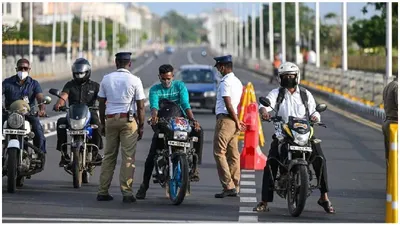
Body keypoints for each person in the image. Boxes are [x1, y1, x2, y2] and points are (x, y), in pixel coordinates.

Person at [253, 62, 335, 214]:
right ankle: (264, 201)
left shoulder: (305, 94)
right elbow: (265, 105)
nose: (289, 79)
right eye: (285, 76)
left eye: (291, 76)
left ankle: (324, 197)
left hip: (304, 134)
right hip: (284, 134)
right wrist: (264, 112)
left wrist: (315, 117)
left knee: (320, 159)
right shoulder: (277, 93)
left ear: (297, 77)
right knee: (271, 162)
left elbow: (314, 111)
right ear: (280, 78)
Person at [135, 64, 203, 200]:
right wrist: (154, 116)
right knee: (152, 155)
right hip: (163, 122)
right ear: (159, 77)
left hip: (181, 122)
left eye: (169, 78)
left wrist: (193, 119)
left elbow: (185, 104)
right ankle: (144, 186)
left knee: (199, 132)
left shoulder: (180, 86)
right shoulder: (155, 89)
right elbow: (154, 105)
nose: (166, 82)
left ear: (173, 76)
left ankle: (195, 166)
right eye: (164, 79)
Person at [96, 52, 146, 203]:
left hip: (110, 119)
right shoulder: (135, 80)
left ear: (115, 62)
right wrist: (141, 126)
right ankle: (127, 193)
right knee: (128, 157)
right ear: (129, 64)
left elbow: (101, 103)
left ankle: (103, 191)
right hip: (128, 121)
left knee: (109, 156)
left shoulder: (106, 79)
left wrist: (103, 123)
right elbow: (141, 106)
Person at [53, 58, 103, 167]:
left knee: (97, 125)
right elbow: (63, 97)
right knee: (61, 123)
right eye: (77, 73)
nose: (79, 75)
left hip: (89, 113)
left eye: (81, 73)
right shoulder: (69, 85)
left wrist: (104, 105)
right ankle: (64, 154)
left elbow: (101, 99)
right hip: (73, 113)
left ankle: (95, 152)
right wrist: (59, 104)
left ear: (87, 72)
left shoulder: (95, 86)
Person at [212, 55, 245, 198]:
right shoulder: (237, 81)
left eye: (219, 67)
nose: (218, 70)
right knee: (233, 154)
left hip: (226, 119)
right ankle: (235, 185)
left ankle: (228, 185)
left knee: (219, 152)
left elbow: (228, 102)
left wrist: (236, 120)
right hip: (233, 120)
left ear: (223, 67)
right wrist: (237, 120)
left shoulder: (225, 82)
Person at [2, 58, 47, 158]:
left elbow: (40, 98)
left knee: (38, 129)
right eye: (20, 68)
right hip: (10, 114)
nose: (22, 71)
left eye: (25, 68)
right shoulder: (7, 82)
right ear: (16, 69)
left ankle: (40, 154)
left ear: (29, 69)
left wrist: (42, 109)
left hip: (28, 114)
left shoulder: (34, 84)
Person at [382, 74, 398, 163]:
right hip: (395, 124)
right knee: (396, 158)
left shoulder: (388, 86)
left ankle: (391, 177)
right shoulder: (397, 87)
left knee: (390, 158)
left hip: (388, 122)